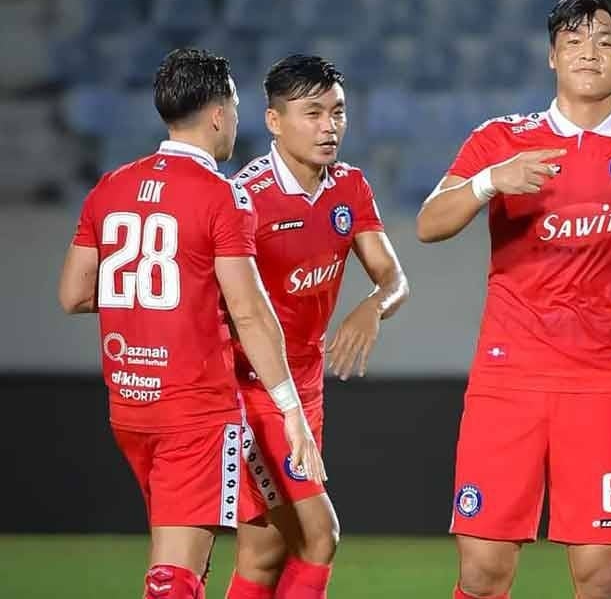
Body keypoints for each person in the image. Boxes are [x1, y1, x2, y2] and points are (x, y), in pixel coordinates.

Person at [416, 0, 611, 599]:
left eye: (605, 41)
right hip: (507, 381)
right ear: (552, 57)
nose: (588, 53)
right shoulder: (501, 139)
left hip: (597, 383)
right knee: (483, 572)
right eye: (573, 41)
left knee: (601, 575)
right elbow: (430, 222)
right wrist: (493, 181)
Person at [58, 48, 325, 599]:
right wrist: (290, 409)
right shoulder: (222, 196)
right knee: (173, 579)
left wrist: (161, 303)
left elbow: (74, 294)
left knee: (178, 564)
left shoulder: (110, 187)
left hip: (130, 405)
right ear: (219, 114)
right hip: (194, 411)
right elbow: (250, 313)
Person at [225, 54, 409, 599]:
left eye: (338, 112)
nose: (329, 127)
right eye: (313, 113)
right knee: (320, 535)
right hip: (252, 390)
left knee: (263, 552)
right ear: (274, 121)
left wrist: (374, 304)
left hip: (307, 389)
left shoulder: (350, 187)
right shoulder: (244, 198)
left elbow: (394, 277)